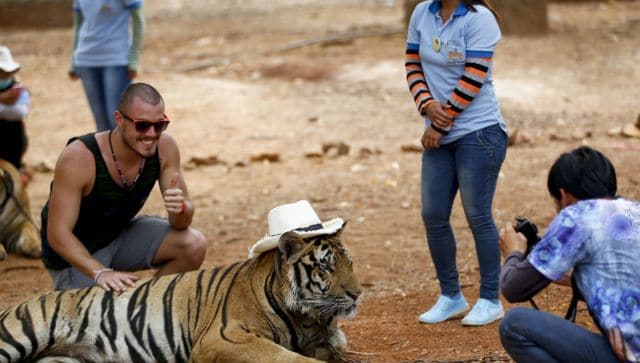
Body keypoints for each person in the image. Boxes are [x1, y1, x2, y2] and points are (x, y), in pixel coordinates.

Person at [40, 82, 207, 292]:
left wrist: (183, 209)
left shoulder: (165, 148)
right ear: (119, 120)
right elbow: (57, 234)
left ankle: (147, 305)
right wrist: (100, 272)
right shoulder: (80, 158)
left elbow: (180, 223)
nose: (151, 134)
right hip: (76, 256)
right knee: (101, 316)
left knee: (193, 244)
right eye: (142, 125)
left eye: (160, 125)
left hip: (118, 236)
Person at [405, 0, 508, 325]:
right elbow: (412, 63)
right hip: (438, 132)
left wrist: (439, 122)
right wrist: (426, 104)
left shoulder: (481, 19)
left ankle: (491, 299)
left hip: (479, 132)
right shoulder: (422, 13)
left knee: (477, 215)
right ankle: (451, 296)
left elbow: (474, 77)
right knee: (433, 214)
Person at [499, 146, 639, 363]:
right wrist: (573, 278)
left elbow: (513, 288)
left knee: (514, 324)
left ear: (564, 196)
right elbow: (621, 282)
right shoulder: (633, 212)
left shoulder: (576, 216)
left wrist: (514, 253)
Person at [69, 0, 145, 131]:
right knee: (101, 124)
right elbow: (78, 24)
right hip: (86, 60)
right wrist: (73, 61)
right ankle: (107, 152)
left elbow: (139, 21)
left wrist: (134, 59)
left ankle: (126, 152)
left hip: (117, 60)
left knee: (118, 121)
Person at [0, 45, 32, 185]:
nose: (4, 77)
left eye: (6, 73)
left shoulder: (19, 90)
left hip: (12, 142)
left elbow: (19, 112)